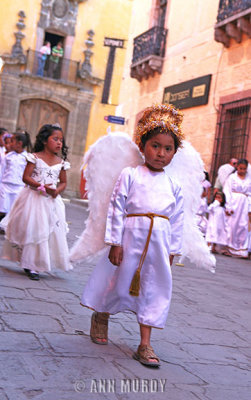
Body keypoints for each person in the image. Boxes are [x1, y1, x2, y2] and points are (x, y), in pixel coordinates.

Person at [80, 104, 184, 367]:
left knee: (153, 288)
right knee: (117, 279)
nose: (161, 153)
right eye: (155, 146)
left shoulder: (174, 185)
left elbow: (178, 220)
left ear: (174, 152)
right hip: (129, 239)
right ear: (143, 145)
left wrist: (173, 250)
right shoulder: (131, 174)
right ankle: (101, 315)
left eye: (168, 148)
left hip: (159, 244)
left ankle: (145, 344)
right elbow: (117, 208)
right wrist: (115, 242)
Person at [1, 124, 72, 281]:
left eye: (61, 140)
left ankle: (38, 262)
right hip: (33, 199)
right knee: (34, 230)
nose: (59, 143)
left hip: (51, 202)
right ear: (45, 140)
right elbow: (26, 177)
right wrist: (41, 186)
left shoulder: (61, 162)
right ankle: (30, 264)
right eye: (55, 139)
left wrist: (57, 190)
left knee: (46, 232)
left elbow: (63, 182)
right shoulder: (34, 157)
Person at [0, 131, 32, 234]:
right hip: (5, 185)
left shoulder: (27, 158)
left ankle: (10, 229)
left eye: (12, 141)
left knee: (14, 209)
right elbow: (1, 171)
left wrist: (28, 188)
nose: (10, 144)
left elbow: (29, 174)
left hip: (19, 187)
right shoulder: (8, 156)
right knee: (1, 207)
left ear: (20, 143)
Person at [223, 159, 251, 258]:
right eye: (240, 168)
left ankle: (241, 249)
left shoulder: (249, 179)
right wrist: (228, 205)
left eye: (244, 169)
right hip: (234, 202)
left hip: (245, 203)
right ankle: (229, 247)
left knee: (243, 226)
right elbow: (227, 191)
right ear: (237, 167)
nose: (242, 170)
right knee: (232, 225)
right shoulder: (232, 178)